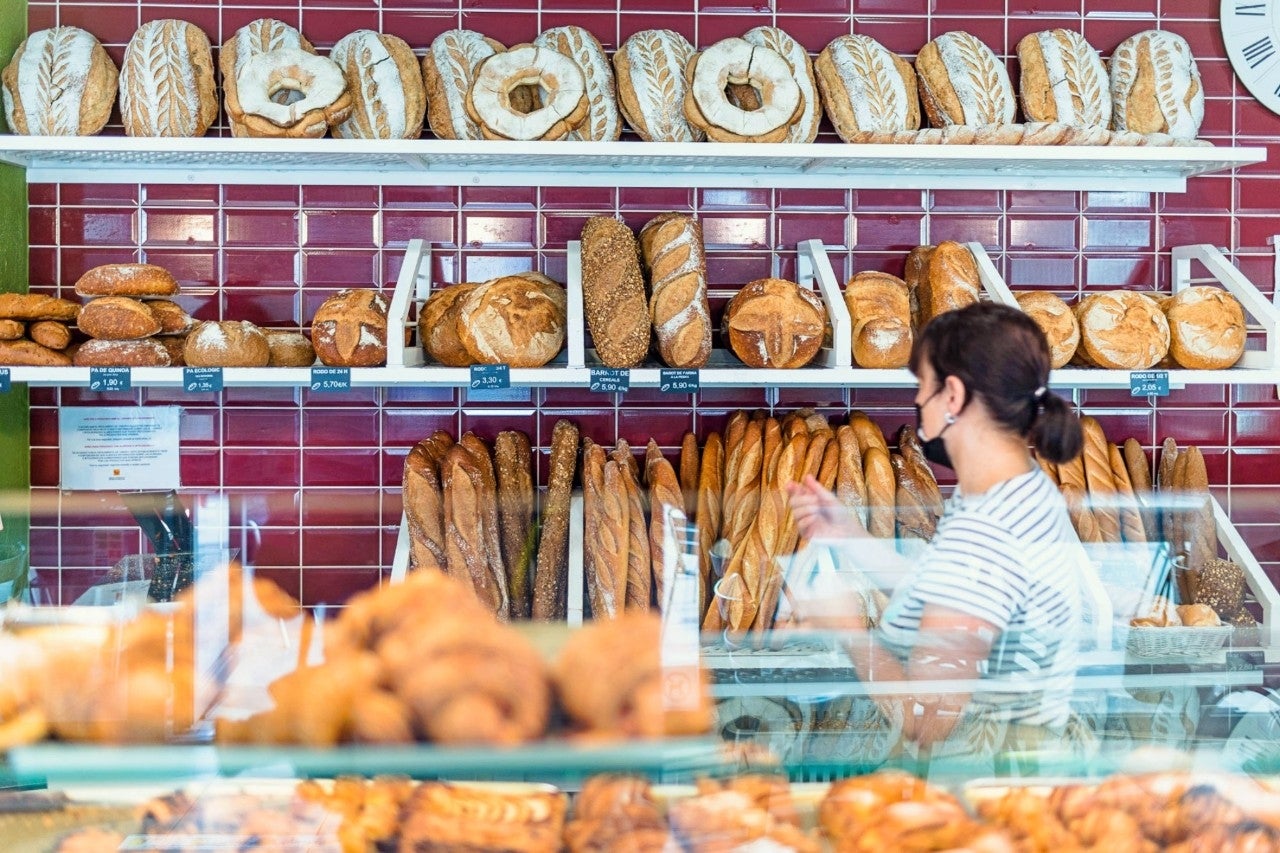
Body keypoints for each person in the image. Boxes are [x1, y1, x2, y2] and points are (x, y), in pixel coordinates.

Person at [787, 302, 1087, 760]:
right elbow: (957, 595)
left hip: (985, 785)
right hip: (1024, 766)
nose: (916, 404)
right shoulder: (1022, 490)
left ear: (952, 396)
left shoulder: (983, 529)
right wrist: (850, 537)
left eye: (921, 388)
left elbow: (925, 722)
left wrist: (847, 628)